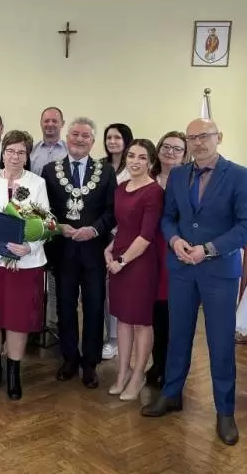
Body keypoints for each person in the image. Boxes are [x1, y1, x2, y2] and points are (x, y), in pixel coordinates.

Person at [141, 119, 247, 447]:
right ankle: (171, 394)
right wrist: (174, 240)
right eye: (192, 137)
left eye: (204, 136)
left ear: (219, 137)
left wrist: (208, 249)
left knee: (220, 343)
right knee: (177, 335)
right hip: (181, 268)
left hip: (219, 271)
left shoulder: (239, 176)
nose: (198, 142)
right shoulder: (179, 175)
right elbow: (169, 217)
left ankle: (225, 412)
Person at [0, 130, 48, 400]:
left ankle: (14, 372)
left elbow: (44, 222)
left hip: (25, 263)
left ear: (27, 156)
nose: (15, 156)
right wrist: (0, 243)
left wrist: (29, 247)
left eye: (21, 152)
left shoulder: (37, 183)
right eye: (10, 151)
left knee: (18, 317)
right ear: (2, 153)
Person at [42, 117, 116, 389]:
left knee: (95, 307)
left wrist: (94, 230)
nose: (79, 139)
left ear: (93, 142)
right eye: (75, 134)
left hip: (95, 252)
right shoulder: (50, 171)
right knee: (65, 307)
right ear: (67, 137)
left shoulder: (106, 171)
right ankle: (70, 358)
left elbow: (112, 211)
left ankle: (90, 363)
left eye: (85, 136)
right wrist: (57, 226)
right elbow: (43, 209)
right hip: (63, 252)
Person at [104, 139, 164, 401]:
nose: (135, 162)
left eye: (141, 157)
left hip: (140, 263)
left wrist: (122, 261)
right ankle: (122, 373)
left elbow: (146, 235)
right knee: (123, 320)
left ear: (151, 161)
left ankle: (138, 375)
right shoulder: (120, 189)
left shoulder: (154, 191)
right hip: (119, 258)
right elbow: (123, 227)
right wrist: (109, 249)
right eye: (131, 156)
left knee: (140, 321)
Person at [146, 131, 188, 389]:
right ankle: (157, 362)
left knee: (173, 314)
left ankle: (172, 368)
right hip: (147, 251)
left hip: (175, 252)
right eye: (166, 146)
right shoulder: (147, 178)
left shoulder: (189, 181)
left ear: (185, 155)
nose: (170, 152)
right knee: (154, 314)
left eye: (177, 148)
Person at [101, 122, 134, 361]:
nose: (112, 141)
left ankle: (120, 339)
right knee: (105, 290)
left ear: (126, 141)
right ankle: (109, 336)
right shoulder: (100, 166)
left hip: (125, 236)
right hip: (103, 234)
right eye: (109, 137)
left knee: (120, 290)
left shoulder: (133, 169)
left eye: (117, 138)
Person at [30, 107, 67, 175]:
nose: (50, 124)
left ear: (62, 123)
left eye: (54, 121)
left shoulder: (70, 152)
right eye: (46, 121)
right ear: (41, 123)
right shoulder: (31, 151)